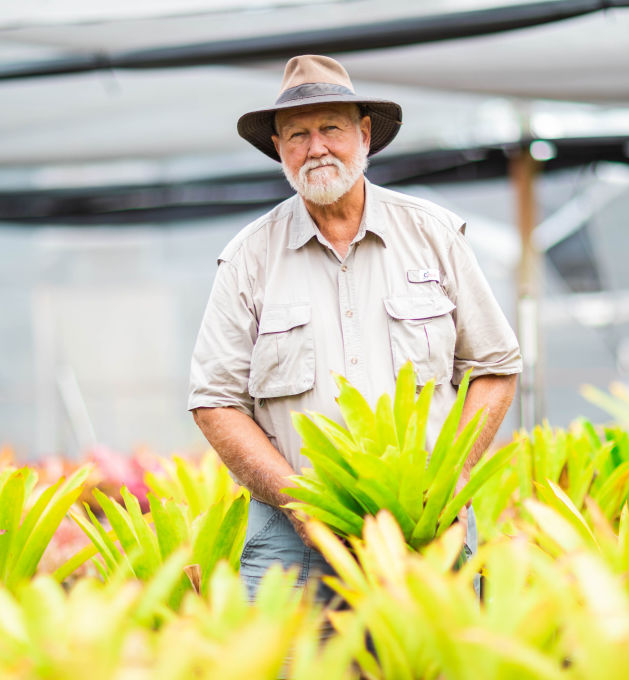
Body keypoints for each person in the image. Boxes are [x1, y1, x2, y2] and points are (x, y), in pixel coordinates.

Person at [188, 55, 521, 602]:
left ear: (364, 135)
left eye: (331, 129)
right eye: (296, 134)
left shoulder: (433, 235)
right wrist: (299, 502)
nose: (315, 148)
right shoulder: (248, 258)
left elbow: (495, 368)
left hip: (427, 526)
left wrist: (449, 480)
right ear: (278, 149)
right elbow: (214, 402)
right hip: (292, 539)